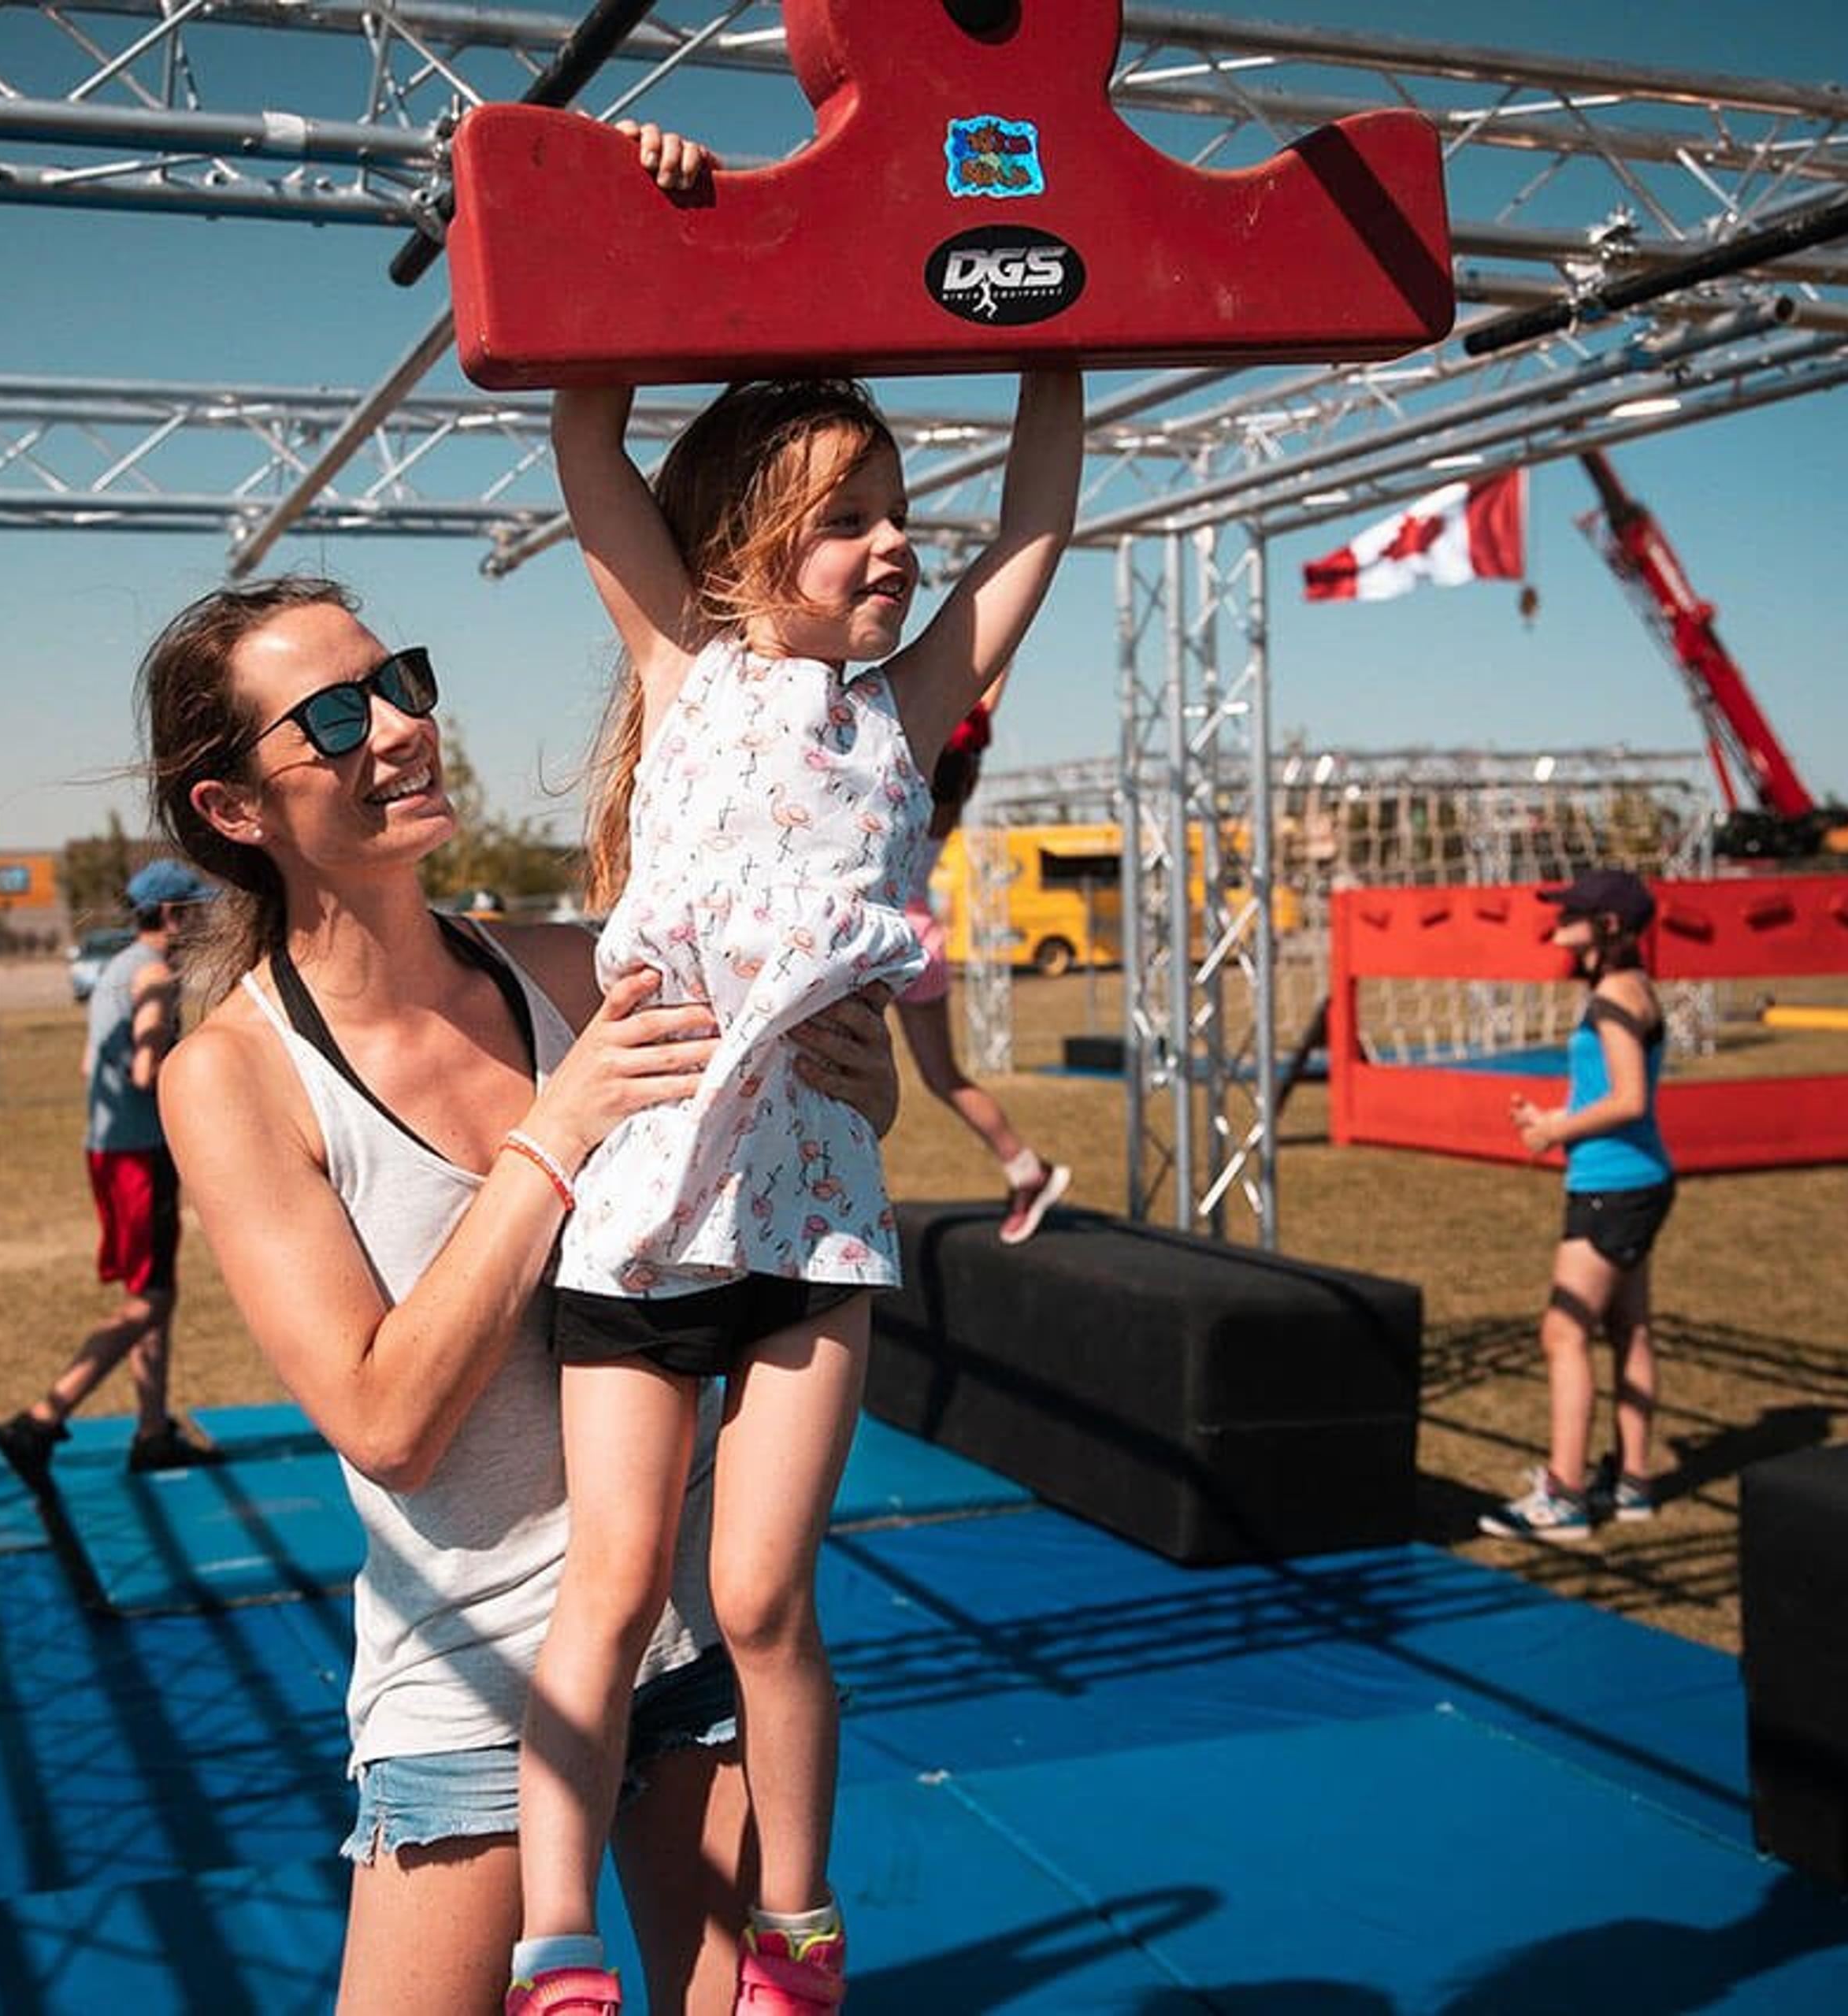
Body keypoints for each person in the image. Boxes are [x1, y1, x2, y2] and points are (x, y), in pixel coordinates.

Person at [514, 120, 1083, 2016]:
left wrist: (1053, 325)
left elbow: (1033, 533)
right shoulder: (687, 669)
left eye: (897, 511)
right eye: (848, 519)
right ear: (743, 551)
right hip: (641, 1219)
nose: (893, 542)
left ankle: (799, 1924)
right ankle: (554, 1940)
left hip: (815, 1223)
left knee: (761, 1596)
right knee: (609, 1590)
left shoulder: (902, 713)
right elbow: (588, 438)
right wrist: (642, 219)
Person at [150, 577, 900, 2014]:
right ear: (234, 808)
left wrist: (862, 1095)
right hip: (473, 1680)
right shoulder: (233, 1076)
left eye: (400, 680)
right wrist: (553, 1135)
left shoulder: (575, 968)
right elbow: (386, 1420)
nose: (399, 726)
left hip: (689, 1641)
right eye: (333, 716)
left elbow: (780, 1180)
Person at [0, 858, 221, 1483]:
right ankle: (42, 1418)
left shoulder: (117, 968)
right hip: (139, 1154)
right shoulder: (154, 975)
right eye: (196, 910)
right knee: (152, 1299)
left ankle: (152, 1430)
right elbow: (148, 1068)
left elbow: (88, 1062)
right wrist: (201, 1069)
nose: (205, 920)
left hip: (111, 1148)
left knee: (151, 1291)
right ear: (170, 915)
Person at [1483, 867, 1674, 1543]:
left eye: (1574, 913)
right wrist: (1553, 1117)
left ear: (1609, 926)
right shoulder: (1631, 988)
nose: (1559, 921)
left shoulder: (1613, 999)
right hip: (1634, 1178)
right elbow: (1610, 1091)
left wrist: (1554, 1131)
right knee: (1629, 1328)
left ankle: (1564, 1496)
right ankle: (1632, 1482)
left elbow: (1629, 1099)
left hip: (1611, 1187)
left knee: (1563, 1332)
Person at [897, 683, 1070, 1245]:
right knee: (942, 1077)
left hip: (888, 937)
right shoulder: (956, 780)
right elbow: (981, 696)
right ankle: (1024, 1168)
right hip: (918, 936)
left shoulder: (904, 781)